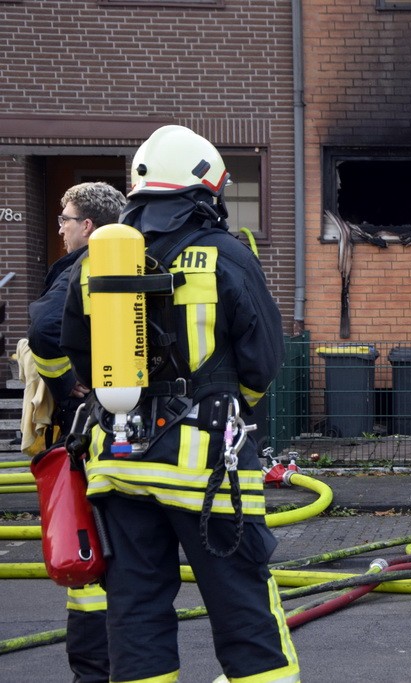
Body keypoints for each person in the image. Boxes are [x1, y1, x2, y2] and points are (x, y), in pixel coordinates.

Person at [60, 125, 299, 682]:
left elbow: (71, 347)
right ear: (205, 193)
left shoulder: (99, 260)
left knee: (136, 613)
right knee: (243, 609)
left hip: (117, 466)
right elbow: (263, 358)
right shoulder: (225, 256)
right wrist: (235, 410)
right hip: (206, 470)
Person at [27, 181, 126, 683]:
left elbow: (43, 329)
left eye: (65, 219)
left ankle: (93, 671)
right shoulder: (134, 262)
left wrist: (70, 390)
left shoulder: (78, 269)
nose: (61, 228)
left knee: (87, 553)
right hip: (135, 431)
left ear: (87, 226)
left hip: (87, 437)